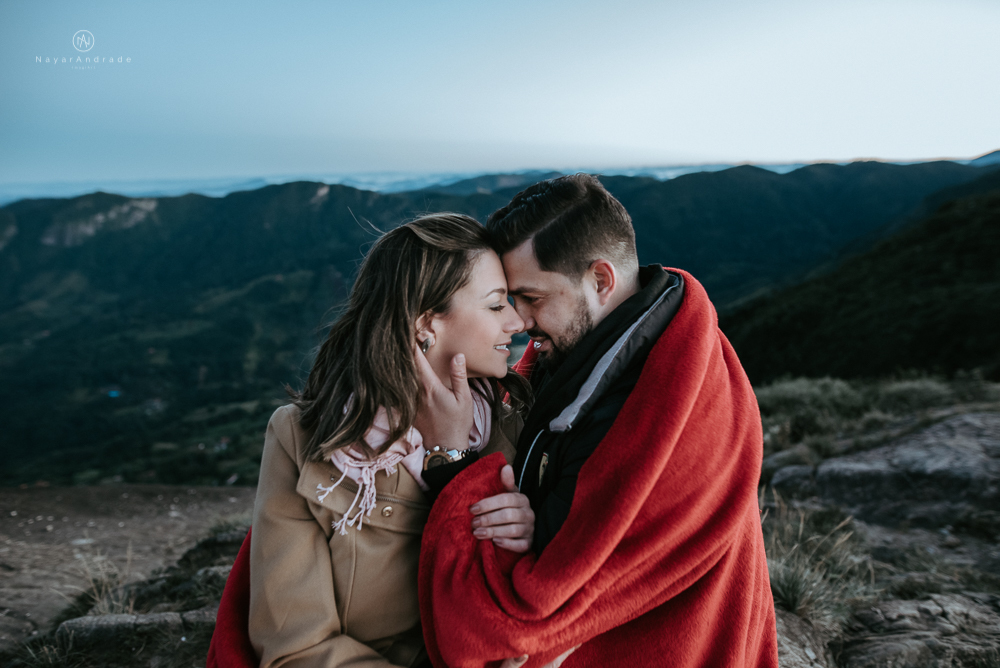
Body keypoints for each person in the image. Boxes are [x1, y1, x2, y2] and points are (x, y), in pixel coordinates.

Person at [416, 174, 780, 667]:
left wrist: (452, 460)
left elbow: (510, 630)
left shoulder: (649, 414)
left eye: (533, 298)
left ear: (602, 280)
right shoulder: (648, 335)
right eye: (508, 300)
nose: (519, 321)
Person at [207, 213, 545, 668]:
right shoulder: (304, 440)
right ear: (427, 323)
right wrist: (446, 456)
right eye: (495, 304)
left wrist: (531, 530)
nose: (518, 321)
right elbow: (296, 648)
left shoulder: (518, 419)